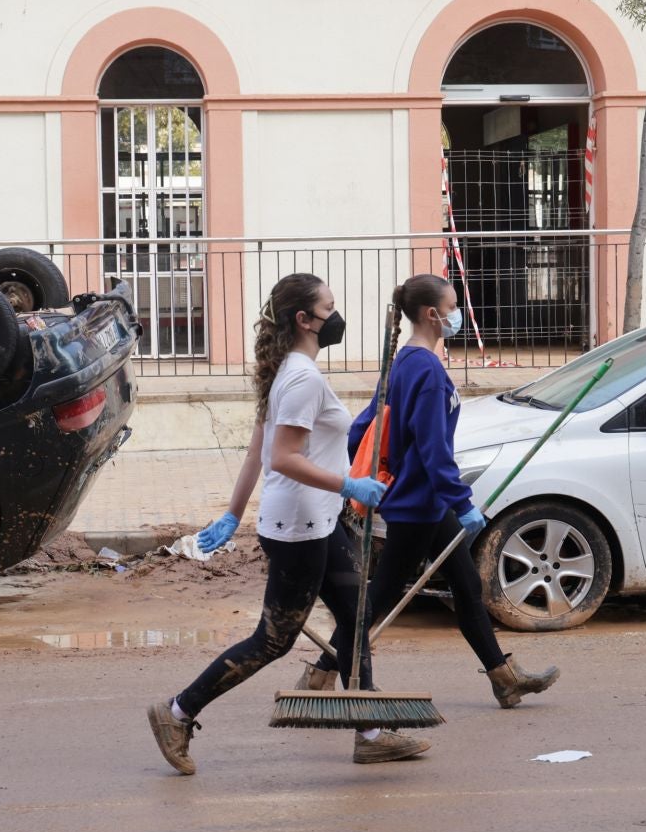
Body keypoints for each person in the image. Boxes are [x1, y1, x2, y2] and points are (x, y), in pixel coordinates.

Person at [147, 273, 432, 775]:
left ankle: (368, 733)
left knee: (354, 620)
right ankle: (177, 713)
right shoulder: (300, 378)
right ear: (304, 320)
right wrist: (350, 486)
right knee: (273, 640)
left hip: (318, 520)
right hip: (300, 526)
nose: (336, 315)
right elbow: (281, 456)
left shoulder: (290, 370)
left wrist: (234, 512)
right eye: (329, 307)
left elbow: (259, 446)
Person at [308, 273, 559, 708]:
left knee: (465, 584)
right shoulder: (424, 369)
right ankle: (322, 672)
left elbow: (363, 428)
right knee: (382, 596)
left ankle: (504, 676)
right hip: (419, 504)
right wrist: (461, 502)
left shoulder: (404, 360)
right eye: (453, 305)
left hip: (424, 500)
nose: (458, 314)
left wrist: (384, 475)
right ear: (432, 314)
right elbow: (432, 449)